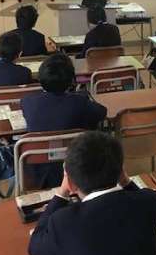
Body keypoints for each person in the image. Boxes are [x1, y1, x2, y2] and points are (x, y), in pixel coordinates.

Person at [21, 53, 107, 188]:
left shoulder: (27, 101)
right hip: (79, 169)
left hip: (38, 174)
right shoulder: (80, 102)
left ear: (40, 78)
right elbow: (102, 112)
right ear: (71, 80)